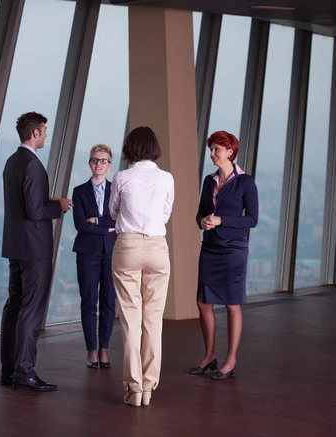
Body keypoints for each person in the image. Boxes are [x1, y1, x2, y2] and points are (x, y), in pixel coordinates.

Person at [0, 111, 72, 391]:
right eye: (44, 130)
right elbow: (36, 210)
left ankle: (9, 371)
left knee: (14, 307)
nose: (46, 135)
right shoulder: (32, 165)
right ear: (35, 133)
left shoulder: (11, 162)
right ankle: (25, 372)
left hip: (16, 246)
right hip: (35, 249)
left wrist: (47, 200)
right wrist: (60, 206)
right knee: (31, 310)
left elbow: (23, 204)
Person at [109, 126, 174, 407]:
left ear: (130, 148)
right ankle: (149, 388)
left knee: (131, 321)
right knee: (153, 321)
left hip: (128, 247)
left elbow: (113, 211)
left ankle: (133, 389)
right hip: (158, 247)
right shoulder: (166, 178)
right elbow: (166, 213)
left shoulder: (122, 177)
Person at [189, 130, 258, 380]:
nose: (212, 154)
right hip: (209, 247)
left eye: (216, 149)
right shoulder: (209, 181)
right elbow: (199, 213)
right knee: (203, 302)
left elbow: (252, 219)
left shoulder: (245, 182)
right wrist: (204, 221)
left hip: (233, 250)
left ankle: (230, 360)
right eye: (211, 149)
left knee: (231, 304)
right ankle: (209, 356)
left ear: (230, 152)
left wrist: (221, 220)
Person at [71, 144, 117, 369]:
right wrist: (106, 227)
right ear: (90, 163)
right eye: (94, 160)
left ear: (110, 165)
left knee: (109, 302)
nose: (98, 164)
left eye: (103, 160)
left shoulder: (116, 190)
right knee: (89, 301)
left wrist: (98, 221)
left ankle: (104, 349)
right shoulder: (79, 191)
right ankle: (91, 349)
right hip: (87, 252)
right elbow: (80, 225)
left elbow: (120, 222)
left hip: (111, 252)